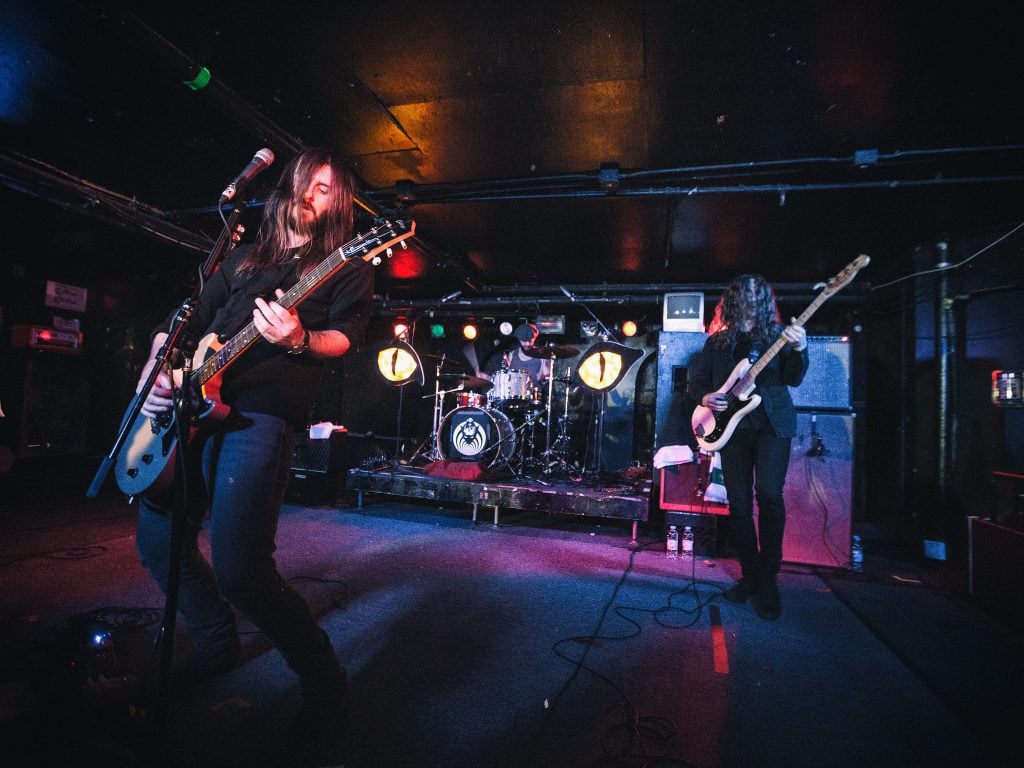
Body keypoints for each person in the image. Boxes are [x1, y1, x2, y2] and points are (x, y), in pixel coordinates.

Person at [133, 148, 374, 726]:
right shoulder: (240, 258)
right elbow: (179, 324)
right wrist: (154, 373)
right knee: (157, 543)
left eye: (328, 191)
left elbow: (343, 338)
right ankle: (217, 642)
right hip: (188, 407)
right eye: (309, 184)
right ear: (288, 185)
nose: (315, 196)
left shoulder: (345, 265)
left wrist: (298, 339)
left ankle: (324, 681)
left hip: (259, 415)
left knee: (243, 570)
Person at [688, 274, 808, 620]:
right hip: (733, 430)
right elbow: (697, 383)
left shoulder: (780, 337)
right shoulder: (718, 343)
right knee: (738, 505)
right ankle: (752, 574)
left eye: (759, 294)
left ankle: (767, 578)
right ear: (733, 299)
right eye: (746, 293)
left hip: (772, 424)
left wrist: (799, 349)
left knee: (769, 495)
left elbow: (793, 378)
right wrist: (706, 396)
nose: (752, 299)